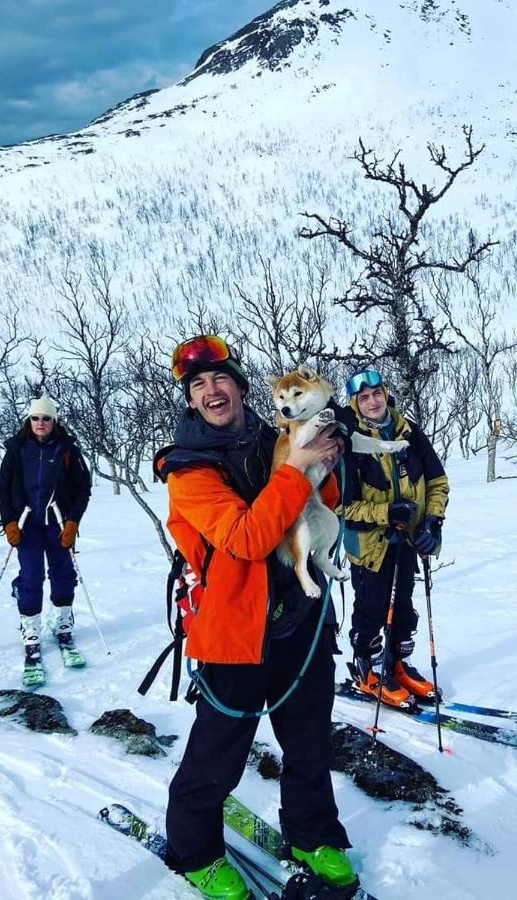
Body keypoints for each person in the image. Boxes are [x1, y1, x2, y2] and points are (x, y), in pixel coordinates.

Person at [154, 335, 356, 900]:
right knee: (220, 751)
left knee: (310, 737)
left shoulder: (280, 437)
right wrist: (296, 469)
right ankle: (195, 850)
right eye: (197, 385)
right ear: (191, 402)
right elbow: (246, 538)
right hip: (235, 632)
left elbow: (320, 504)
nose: (211, 390)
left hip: (301, 616)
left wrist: (326, 466)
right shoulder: (188, 470)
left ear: (240, 388)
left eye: (219, 379)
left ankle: (312, 834)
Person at [340, 369, 449, 708]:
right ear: (356, 404)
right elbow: (342, 507)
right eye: (364, 397)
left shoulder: (409, 431)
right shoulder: (349, 443)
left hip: (408, 541)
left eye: (376, 393)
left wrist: (432, 521)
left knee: (403, 607)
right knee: (371, 609)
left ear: (386, 394)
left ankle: (397, 664)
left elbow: (437, 482)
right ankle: (367, 669)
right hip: (370, 547)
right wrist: (387, 513)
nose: (373, 401)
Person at [0, 396, 91, 682]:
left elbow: (83, 487)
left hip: (58, 522)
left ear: (54, 420)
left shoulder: (67, 449)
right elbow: (2, 487)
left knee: (63, 573)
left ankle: (63, 625)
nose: (41, 423)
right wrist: (9, 522)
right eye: (36, 418)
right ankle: (31, 633)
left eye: (46, 418)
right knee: (32, 576)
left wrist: (73, 521)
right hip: (27, 524)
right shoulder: (17, 448)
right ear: (29, 420)